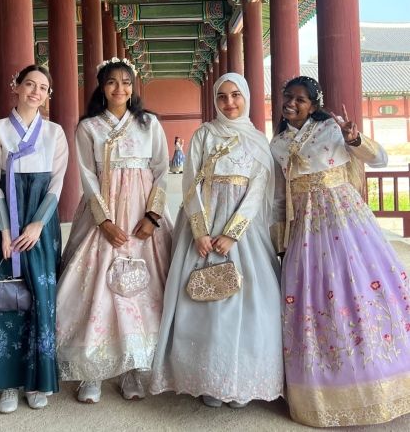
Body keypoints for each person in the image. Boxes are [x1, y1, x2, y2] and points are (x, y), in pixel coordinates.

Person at [270, 75, 410, 428]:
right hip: (304, 229)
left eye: (300, 99)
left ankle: (380, 381)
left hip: (344, 222)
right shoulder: (279, 143)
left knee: (355, 290)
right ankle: (323, 388)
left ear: (314, 105)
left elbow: (379, 157)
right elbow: (278, 197)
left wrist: (355, 138)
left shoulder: (333, 130)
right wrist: (278, 239)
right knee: (313, 300)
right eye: (287, 97)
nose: (291, 103)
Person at [151, 72, 284, 407]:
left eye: (236, 95)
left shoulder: (256, 140)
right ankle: (207, 379)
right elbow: (190, 183)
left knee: (250, 305)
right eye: (223, 96)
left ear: (247, 97)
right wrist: (200, 232)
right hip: (203, 229)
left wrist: (233, 233)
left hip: (243, 231)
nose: (229, 102)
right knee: (203, 304)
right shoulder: (203, 135)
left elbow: (258, 190)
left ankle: (241, 380)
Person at [56, 57, 172, 404]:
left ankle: (134, 368)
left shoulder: (148, 123)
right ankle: (91, 369)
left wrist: (153, 217)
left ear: (133, 86)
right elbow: (88, 177)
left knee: (142, 290)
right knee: (96, 287)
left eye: (125, 82)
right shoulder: (89, 127)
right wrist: (103, 221)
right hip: (105, 211)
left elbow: (162, 169)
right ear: (101, 87)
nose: (119, 88)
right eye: (111, 82)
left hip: (142, 212)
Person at [0, 64, 69, 414]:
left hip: (40, 223)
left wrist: (37, 225)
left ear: (48, 95)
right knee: (1, 296)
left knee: (39, 295)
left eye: (43, 87)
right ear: (16, 87)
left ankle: (36, 381)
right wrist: (5, 232)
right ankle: (4, 382)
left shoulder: (54, 133)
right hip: (1, 225)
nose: (36, 91)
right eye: (29, 84)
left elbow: (56, 185)